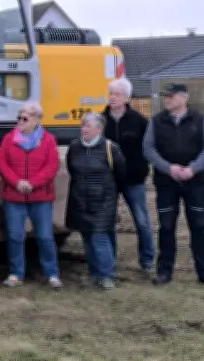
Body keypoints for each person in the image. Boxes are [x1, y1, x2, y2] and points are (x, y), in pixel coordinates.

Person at [143, 83, 204, 286]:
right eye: (165, 96)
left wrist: (193, 168)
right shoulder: (156, 121)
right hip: (166, 183)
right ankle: (164, 272)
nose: (167, 99)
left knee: (198, 226)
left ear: (184, 98)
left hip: (195, 183)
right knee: (166, 227)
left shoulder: (199, 119)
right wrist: (169, 168)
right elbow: (148, 149)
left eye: (171, 96)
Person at [0, 101, 63, 289]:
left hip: (41, 198)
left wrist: (32, 184)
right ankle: (16, 273)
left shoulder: (48, 140)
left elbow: (52, 166)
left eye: (25, 117)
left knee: (45, 237)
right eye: (19, 116)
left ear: (36, 119)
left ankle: (51, 274)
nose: (20, 120)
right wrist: (17, 182)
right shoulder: (9, 139)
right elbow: (2, 163)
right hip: (14, 197)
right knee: (15, 237)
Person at [66, 113, 127, 289]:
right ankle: (94, 273)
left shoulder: (110, 148)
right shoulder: (74, 147)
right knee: (87, 237)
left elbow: (121, 173)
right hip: (79, 201)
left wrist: (107, 193)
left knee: (99, 237)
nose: (83, 129)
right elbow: (72, 170)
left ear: (99, 129)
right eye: (82, 125)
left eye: (87, 126)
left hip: (103, 202)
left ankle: (107, 275)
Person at [102, 78, 155, 275]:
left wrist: (142, 170)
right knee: (108, 223)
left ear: (126, 97)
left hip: (134, 181)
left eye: (117, 94)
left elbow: (149, 149)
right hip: (109, 181)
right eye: (111, 93)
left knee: (142, 221)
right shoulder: (101, 120)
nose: (112, 97)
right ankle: (109, 261)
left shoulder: (140, 121)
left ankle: (147, 261)